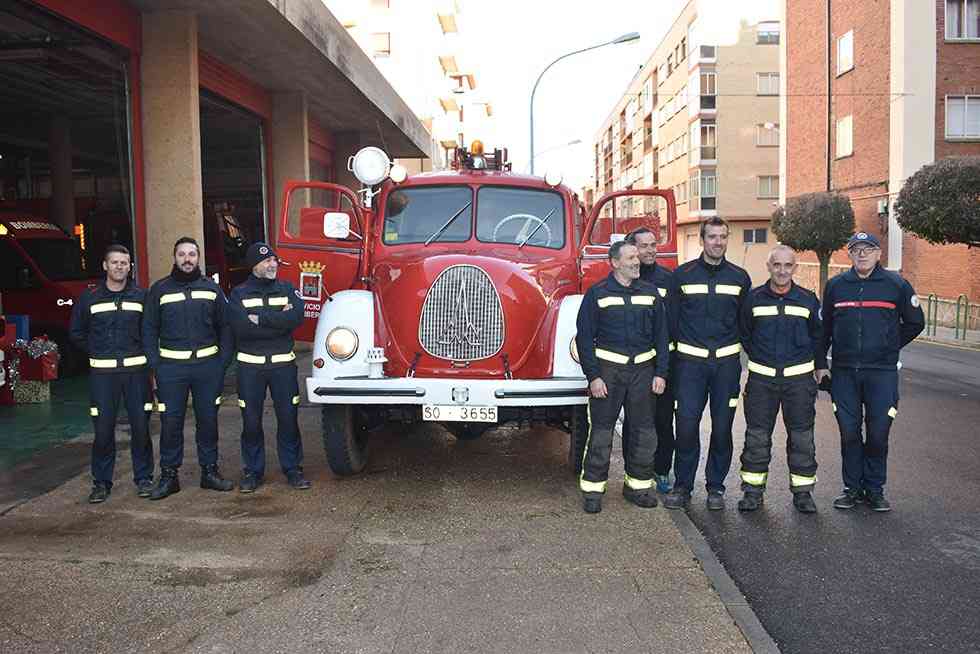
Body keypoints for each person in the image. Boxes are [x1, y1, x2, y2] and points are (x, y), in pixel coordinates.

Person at [820, 232, 924, 512]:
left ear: (879, 254)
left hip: (881, 373)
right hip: (844, 374)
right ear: (850, 255)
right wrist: (820, 364)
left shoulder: (896, 285)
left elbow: (915, 322)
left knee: (878, 433)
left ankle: (875, 490)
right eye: (856, 250)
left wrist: (889, 347)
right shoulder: (836, 286)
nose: (862, 254)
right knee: (849, 433)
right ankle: (852, 489)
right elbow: (824, 330)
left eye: (868, 249)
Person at [664, 216, 751, 511]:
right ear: (702, 240)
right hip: (689, 367)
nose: (718, 242)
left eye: (722, 237)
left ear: (727, 240)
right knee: (686, 427)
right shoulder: (682, 276)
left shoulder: (740, 278)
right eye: (712, 237)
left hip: (725, 367)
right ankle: (683, 486)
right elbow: (671, 321)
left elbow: (745, 323)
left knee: (723, 428)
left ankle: (716, 487)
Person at [575, 241, 669, 514]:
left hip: (643, 373)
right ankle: (593, 490)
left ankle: (638, 487)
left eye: (637, 257)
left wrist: (661, 373)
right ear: (614, 263)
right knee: (602, 433)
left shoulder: (650, 293)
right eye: (630, 257)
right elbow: (584, 339)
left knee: (644, 433)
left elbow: (662, 337)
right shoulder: (597, 294)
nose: (636, 261)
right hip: (608, 373)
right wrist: (593, 376)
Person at [143, 237, 234, 500]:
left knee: (208, 421)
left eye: (192, 254)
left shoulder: (212, 289)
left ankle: (210, 472)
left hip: (207, 368)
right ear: (175, 258)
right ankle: (170, 476)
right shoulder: (159, 290)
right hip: (171, 369)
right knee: (171, 423)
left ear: (198, 258)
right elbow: (149, 329)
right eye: (182, 254)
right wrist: (155, 364)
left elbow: (225, 327)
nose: (187, 259)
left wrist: (222, 362)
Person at [736, 245, 825, 513]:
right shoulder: (753, 299)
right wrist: (763, 358)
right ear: (769, 267)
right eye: (777, 265)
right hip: (762, 381)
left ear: (795, 268)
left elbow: (819, 337)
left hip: (799, 383)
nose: (782, 271)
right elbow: (745, 334)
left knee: (801, 438)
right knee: (757, 437)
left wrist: (819, 366)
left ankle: (803, 494)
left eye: (788, 266)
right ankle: (752, 492)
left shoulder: (808, 300)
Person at [69, 245, 154, 503]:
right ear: (105, 266)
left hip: (136, 373)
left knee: (141, 428)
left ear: (130, 267)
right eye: (115, 262)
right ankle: (101, 483)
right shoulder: (90, 298)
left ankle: (144, 479)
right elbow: (76, 332)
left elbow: (150, 332)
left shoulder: (141, 296)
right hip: (103, 376)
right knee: (103, 431)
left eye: (124, 263)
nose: (120, 267)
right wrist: (96, 351)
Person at [228, 242, 310, 492]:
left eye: (274, 260)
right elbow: (241, 328)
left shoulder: (287, 289)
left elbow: (296, 317)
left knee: (288, 419)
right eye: (267, 261)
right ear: (254, 266)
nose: (273, 264)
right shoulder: (239, 294)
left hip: (282, 367)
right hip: (250, 368)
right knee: (251, 422)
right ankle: (253, 472)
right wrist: (278, 320)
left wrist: (260, 319)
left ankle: (293, 469)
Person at [622, 227, 676, 493]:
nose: (651, 250)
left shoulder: (669, 279)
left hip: (663, 363)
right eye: (644, 246)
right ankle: (632, 472)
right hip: (636, 365)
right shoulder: (624, 280)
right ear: (632, 250)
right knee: (635, 420)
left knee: (664, 420)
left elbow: (675, 322)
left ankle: (662, 471)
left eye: (653, 245)